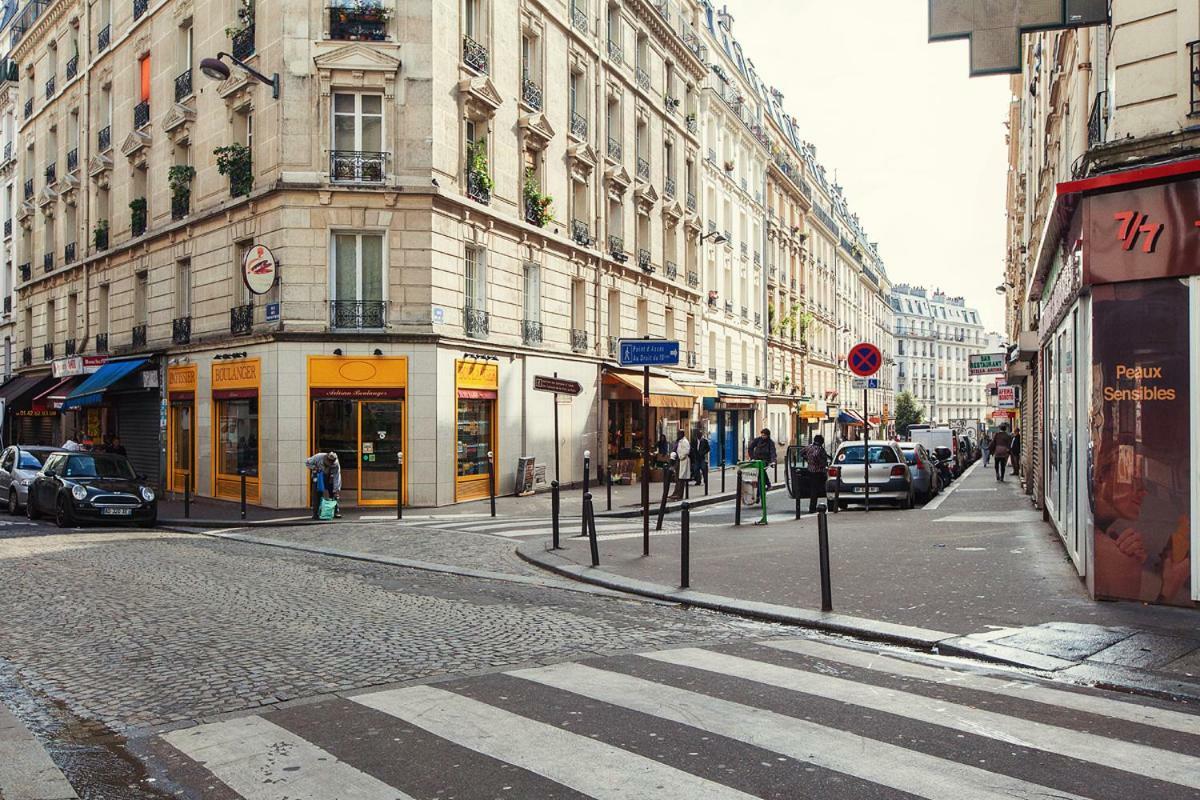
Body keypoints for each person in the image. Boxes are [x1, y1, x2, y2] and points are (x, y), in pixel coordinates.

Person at [305, 451, 343, 518]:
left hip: (330, 477)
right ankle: (315, 513)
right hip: (318, 476)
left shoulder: (336, 464)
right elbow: (307, 462)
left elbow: (337, 477)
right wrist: (314, 467)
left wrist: (336, 489)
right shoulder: (318, 457)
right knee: (316, 494)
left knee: (334, 494)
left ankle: (335, 512)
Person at [800, 434, 831, 514]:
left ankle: (812, 508)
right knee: (826, 489)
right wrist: (822, 464)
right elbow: (817, 456)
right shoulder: (820, 449)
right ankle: (829, 506)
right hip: (819, 472)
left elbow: (801, 452)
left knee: (813, 490)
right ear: (821, 441)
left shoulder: (809, 447)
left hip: (810, 471)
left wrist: (807, 459)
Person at [668, 430, 690, 500]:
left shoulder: (685, 441)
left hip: (682, 461)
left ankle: (679, 495)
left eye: (679, 434)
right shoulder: (679, 441)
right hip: (678, 460)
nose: (678, 435)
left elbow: (686, 451)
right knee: (677, 478)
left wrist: (681, 456)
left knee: (681, 479)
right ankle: (675, 493)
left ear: (682, 434)